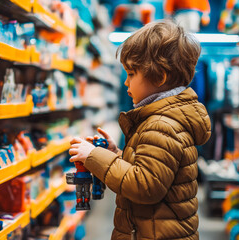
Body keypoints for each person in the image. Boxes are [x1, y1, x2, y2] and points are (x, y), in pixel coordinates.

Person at [69, 20, 211, 240]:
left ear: (159, 77)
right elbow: (147, 168)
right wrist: (115, 154)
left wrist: (94, 156)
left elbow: (145, 186)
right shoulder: (160, 120)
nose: (126, 83)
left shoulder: (163, 126)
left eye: (131, 74)